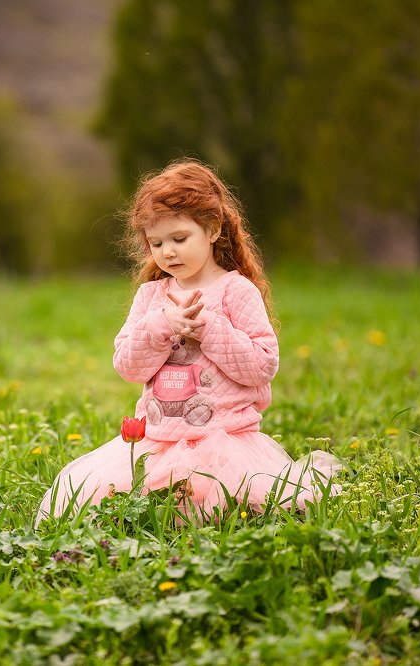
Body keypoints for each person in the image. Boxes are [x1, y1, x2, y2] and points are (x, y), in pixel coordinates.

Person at [37, 159, 340, 523]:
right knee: (114, 502)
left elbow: (262, 366)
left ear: (212, 229)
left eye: (180, 239)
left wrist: (208, 329)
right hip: (158, 441)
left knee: (228, 501)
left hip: (223, 443)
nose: (168, 252)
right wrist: (160, 326)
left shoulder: (235, 291)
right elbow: (128, 366)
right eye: (157, 243)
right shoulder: (152, 297)